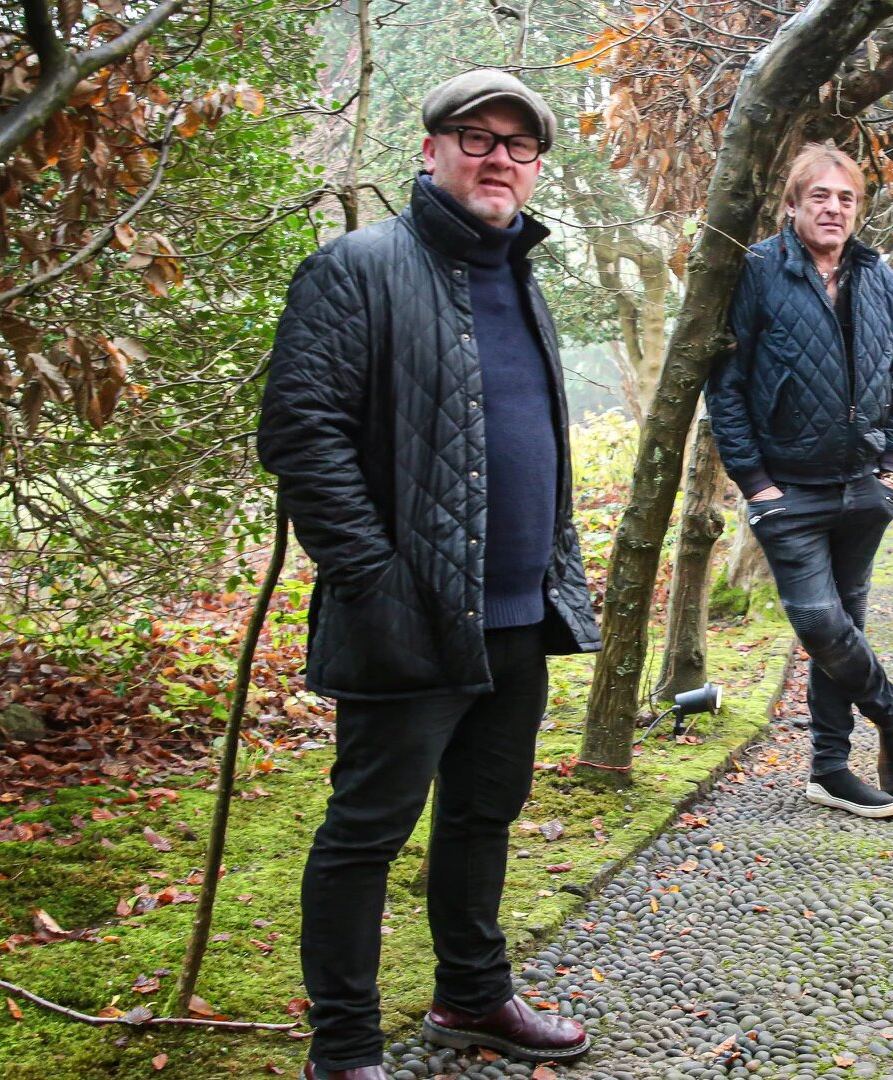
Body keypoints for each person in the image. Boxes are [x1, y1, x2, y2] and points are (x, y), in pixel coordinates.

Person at [257, 70, 602, 1079]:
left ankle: (473, 995)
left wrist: (555, 577)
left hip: (518, 614)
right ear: (431, 150)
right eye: (475, 136)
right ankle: (345, 1050)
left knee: (483, 815)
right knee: (366, 833)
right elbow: (302, 437)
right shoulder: (357, 268)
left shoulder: (522, 275)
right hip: (408, 617)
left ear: (536, 167)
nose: (499, 158)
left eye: (519, 144)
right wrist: (376, 584)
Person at [707, 142, 893, 819]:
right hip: (788, 492)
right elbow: (727, 385)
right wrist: (755, 484)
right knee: (820, 623)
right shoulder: (758, 271)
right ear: (793, 203)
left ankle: (829, 769)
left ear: (858, 209)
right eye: (820, 196)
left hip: (864, 486)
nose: (833, 208)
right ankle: (891, 709)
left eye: (845, 198)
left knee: (845, 627)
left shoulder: (879, 277)